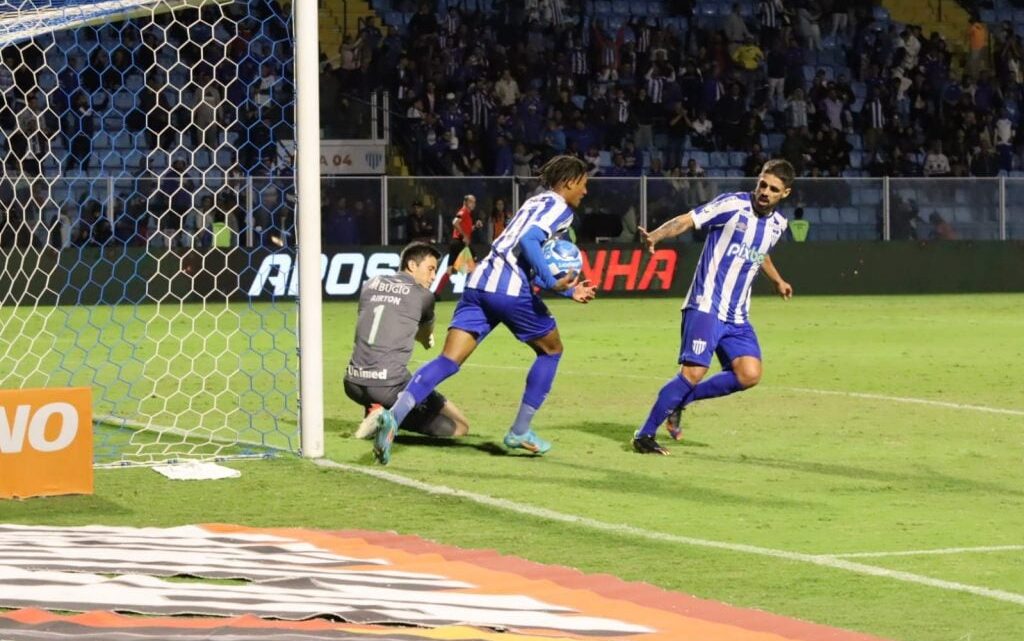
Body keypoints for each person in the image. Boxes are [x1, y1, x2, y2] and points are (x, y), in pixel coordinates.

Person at [364, 156, 597, 464]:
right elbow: (528, 241)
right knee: (552, 351)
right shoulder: (559, 208)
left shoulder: (535, 202)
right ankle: (520, 431)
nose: (585, 191)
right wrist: (555, 281)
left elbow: (523, 252)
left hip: (479, 285)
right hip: (510, 291)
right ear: (569, 182)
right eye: (583, 184)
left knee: (448, 360)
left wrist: (568, 290)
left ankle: (393, 417)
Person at [631, 159, 796, 454]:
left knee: (749, 374)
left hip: (737, 315)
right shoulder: (731, 205)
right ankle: (644, 435)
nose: (765, 192)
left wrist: (778, 280)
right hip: (706, 304)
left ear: (784, 194)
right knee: (692, 373)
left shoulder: (778, 225)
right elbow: (686, 220)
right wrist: (656, 235)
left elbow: (762, 254)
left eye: (773, 189)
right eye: (762, 184)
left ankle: (682, 400)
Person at [347, 242, 470, 445]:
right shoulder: (424, 296)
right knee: (460, 426)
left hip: (353, 382)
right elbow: (425, 337)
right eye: (430, 269)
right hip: (389, 386)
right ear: (412, 265)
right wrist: (426, 338)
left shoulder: (370, 284)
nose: (433, 277)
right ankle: (384, 418)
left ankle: (375, 409)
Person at [434, 194, 482, 295]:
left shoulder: (468, 215)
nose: (473, 204)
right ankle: (473, 294)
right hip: (460, 243)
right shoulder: (463, 211)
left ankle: (436, 294)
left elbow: (467, 229)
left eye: (474, 202)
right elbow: (455, 222)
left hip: (455, 243)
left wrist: (475, 227)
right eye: (471, 202)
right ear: (465, 202)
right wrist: (464, 236)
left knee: (450, 270)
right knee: (475, 266)